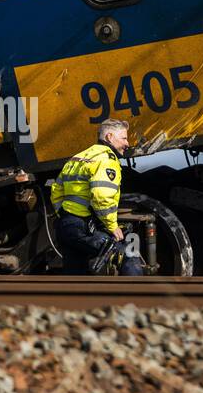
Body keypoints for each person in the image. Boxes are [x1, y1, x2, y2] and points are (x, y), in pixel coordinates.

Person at [49, 118, 145, 275]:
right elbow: (102, 195)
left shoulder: (77, 158)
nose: (127, 144)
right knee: (128, 253)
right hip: (82, 226)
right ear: (109, 137)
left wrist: (64, 215)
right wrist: (111, 225)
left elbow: (56, 190)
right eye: (124, 138)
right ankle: (137, 297)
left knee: (75, 277)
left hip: (66, 226)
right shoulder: (106, 160)